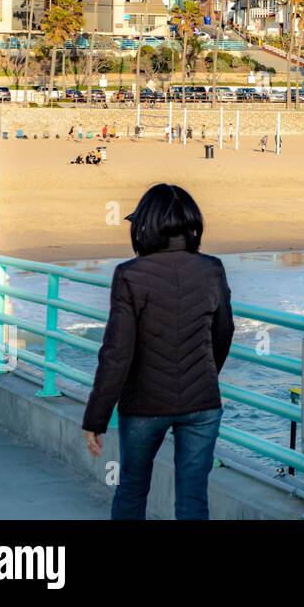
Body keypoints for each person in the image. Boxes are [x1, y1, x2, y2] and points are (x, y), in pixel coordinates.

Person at [82, 184, 234, 520]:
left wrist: (96, 417)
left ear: (144, 228)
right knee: (193, 497)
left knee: (133, 488)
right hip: (202, 404)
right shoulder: (212, 268)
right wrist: (205, 374)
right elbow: (223, 332)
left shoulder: (130, 275)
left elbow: (116, 353)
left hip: (144, 406)